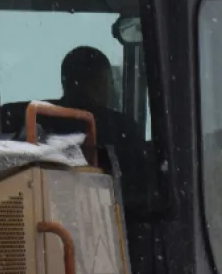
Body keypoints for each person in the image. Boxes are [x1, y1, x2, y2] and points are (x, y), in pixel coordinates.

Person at [51, 45, 152, 207]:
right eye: (110, 82)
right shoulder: (122, 129)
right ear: (101, 83)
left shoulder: (36, 119)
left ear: (64, 82)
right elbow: (141, 195)